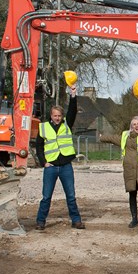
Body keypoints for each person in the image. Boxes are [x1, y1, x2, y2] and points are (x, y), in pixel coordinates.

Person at [35, 86, 85, 230]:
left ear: (62, 116)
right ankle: (40, 221)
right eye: (55, 115)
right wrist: (43, 162)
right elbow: (39, 146)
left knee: (71, 196)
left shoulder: (67, 124)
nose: (57, 118)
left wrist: (73, 94)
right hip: (50, 167)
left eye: (59, 115)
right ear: (51, 115)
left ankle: (76, 221)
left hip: (65, 166)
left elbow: (73, 110)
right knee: (46, 197)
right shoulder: (43, 127)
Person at [99, 116, 138, 229]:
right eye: (134, 124)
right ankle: (134, 219)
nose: (137, 126)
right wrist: (101, 138)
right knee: (132, 195)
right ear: (131, 127)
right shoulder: (125, 137)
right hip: (129, 171)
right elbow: (112, 138)